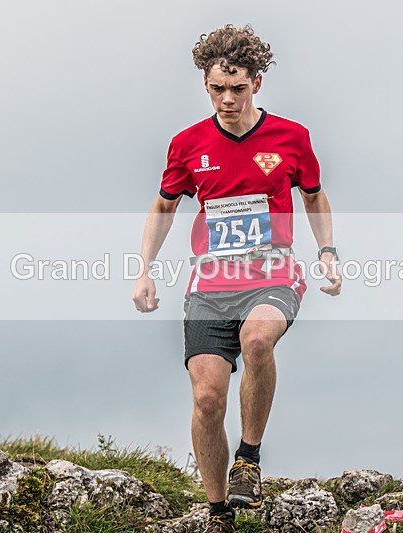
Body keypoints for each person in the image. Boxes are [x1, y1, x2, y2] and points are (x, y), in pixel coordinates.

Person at [132, 24, 341, 533]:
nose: (227, 99)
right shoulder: (187, 144)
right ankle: (218, 511)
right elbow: (164, 205)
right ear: (205, 85)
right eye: (216, 89)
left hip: (273, 270)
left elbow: (312, 196)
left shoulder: (292, 137)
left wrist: (328, 252)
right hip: (210, 283)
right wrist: (145, 271)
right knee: (206, 397)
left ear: (258, 83)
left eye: (238, 88)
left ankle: (249, 457)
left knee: (258, 342)